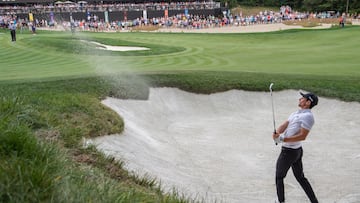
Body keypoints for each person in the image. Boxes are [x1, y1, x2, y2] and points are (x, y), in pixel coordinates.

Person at [272, 92, 319, 203]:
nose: (300, 98)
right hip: (296, 151)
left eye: (303, 98)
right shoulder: (296, 113)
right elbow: (285, 125)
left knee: (279, 177)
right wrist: (277, 133)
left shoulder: (308, 117)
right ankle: (314, 201)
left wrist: (282, 139)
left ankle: (281, 201)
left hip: (289, 152)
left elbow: (302, 136)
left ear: (308, 102)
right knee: (300, 177)